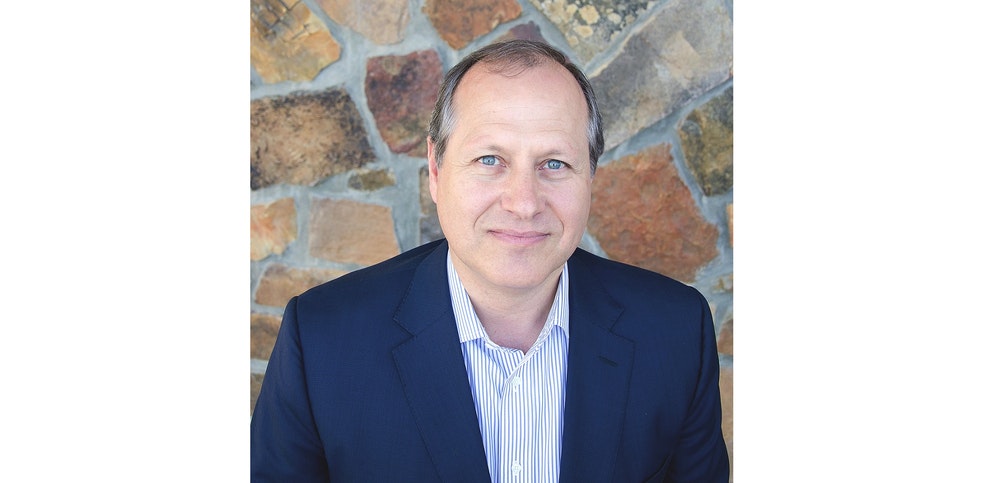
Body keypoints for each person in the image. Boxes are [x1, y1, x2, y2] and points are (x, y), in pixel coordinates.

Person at [251, 39, 729, 482]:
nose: (524, 202)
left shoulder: (676, 332)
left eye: (555, 164)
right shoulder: (320, 341)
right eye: (489, 160)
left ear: (591, 179)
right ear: (436, 171)